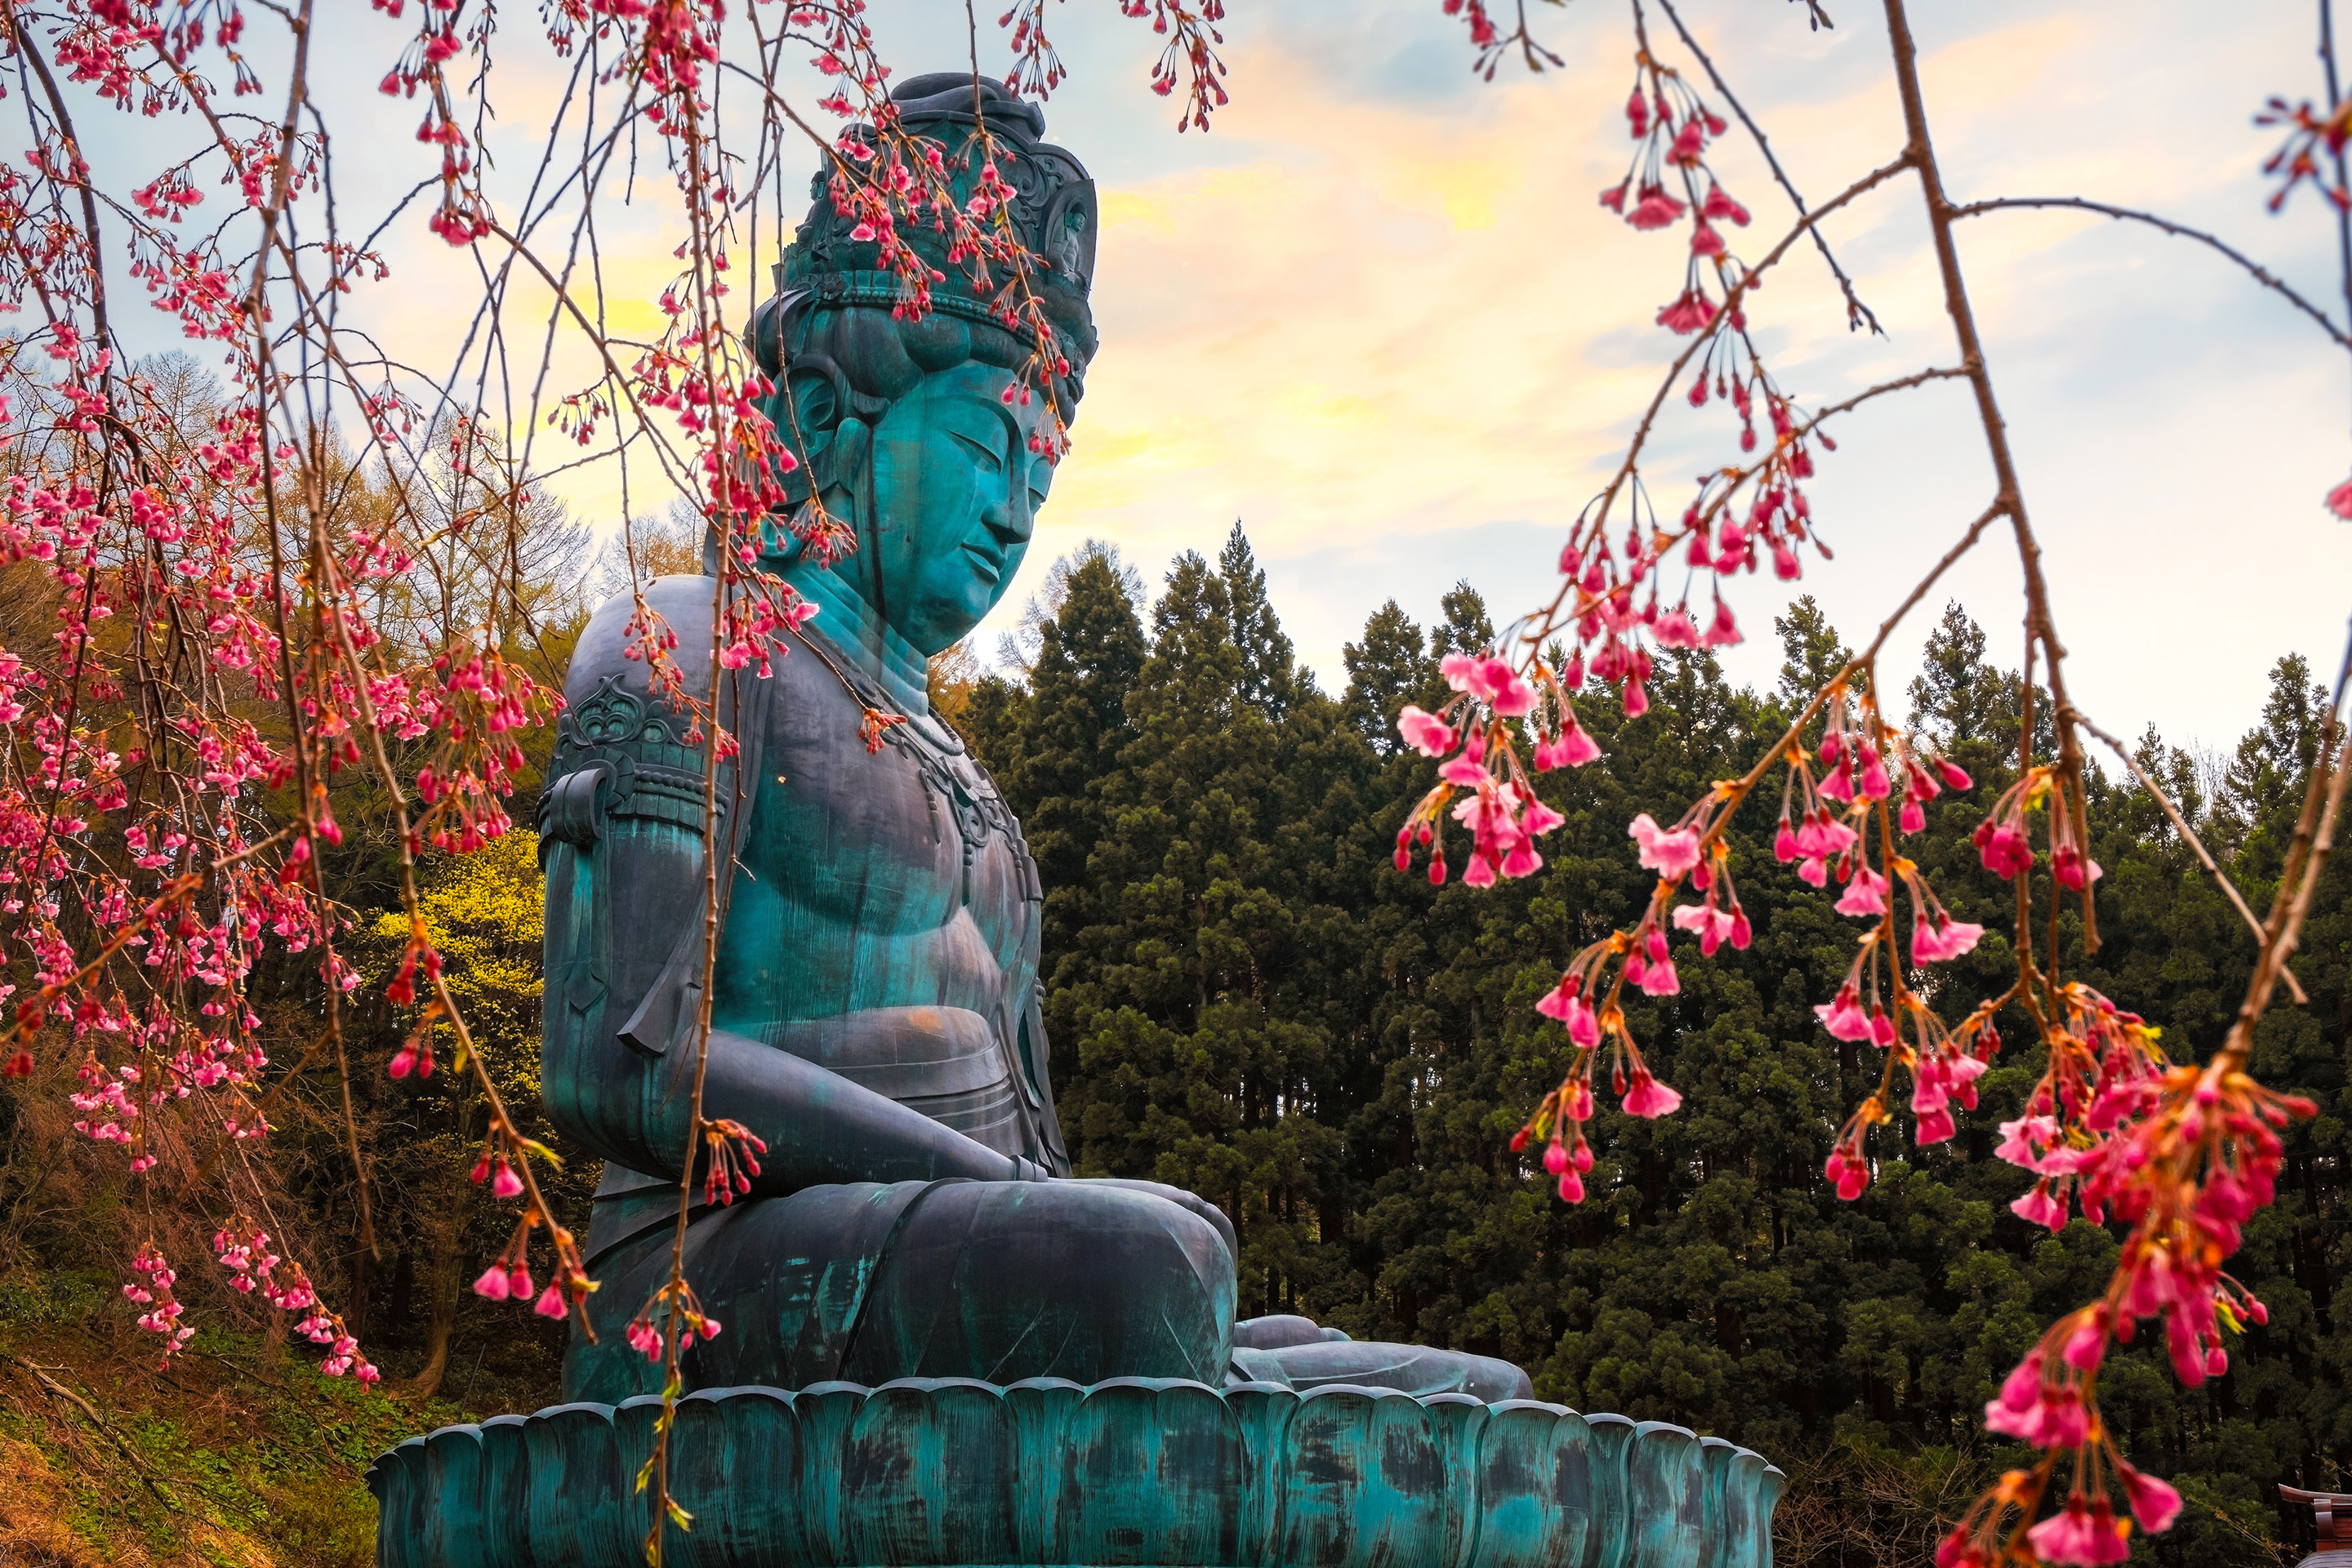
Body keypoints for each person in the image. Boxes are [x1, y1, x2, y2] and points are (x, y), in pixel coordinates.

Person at [541, 74, 1530, 1407]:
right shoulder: (688, 647)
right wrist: (1018, 1203)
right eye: (989, 446)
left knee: (1461, 1388)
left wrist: (1052, 1216)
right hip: (705, 1276)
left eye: (1042, 477)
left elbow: (1042, 1159)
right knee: (1140, 1261)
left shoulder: (981, 799)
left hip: (977, 1262)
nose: (1014, 512)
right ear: (831, 419)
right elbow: (616, 1058)